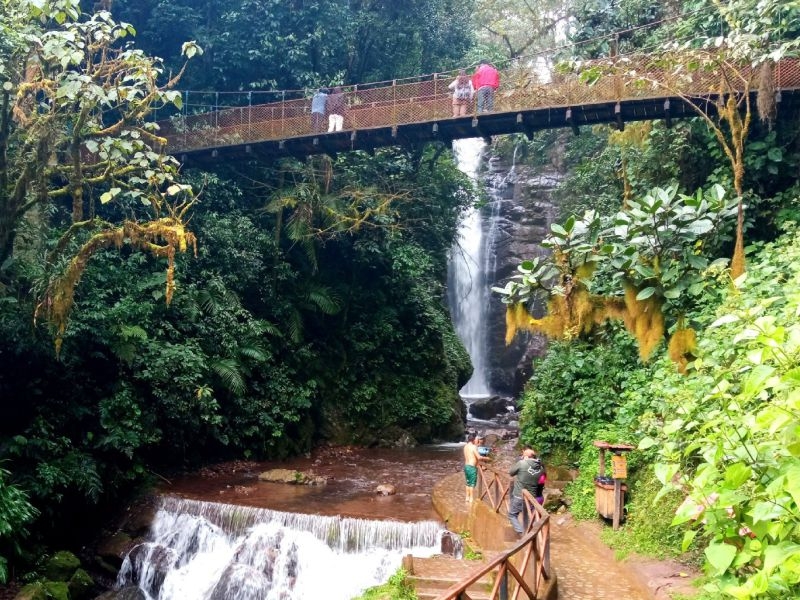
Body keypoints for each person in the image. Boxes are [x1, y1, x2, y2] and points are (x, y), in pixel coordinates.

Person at [507, 448, 546, 536]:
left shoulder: (522, 463)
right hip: (532, 497)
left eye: (523, 455)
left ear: (526, 457)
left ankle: (522, 533)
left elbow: (511, 472)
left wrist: (521, 463)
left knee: (512, 515)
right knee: (527, 517)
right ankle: (530, 533)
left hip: (519, 495)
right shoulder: (541, 468)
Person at [463, 432, 489, 503]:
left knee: (468, 482)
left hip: (466, 466)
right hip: (472, 467)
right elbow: (479, 457)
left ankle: (467, 497)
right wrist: (487, 458)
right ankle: (471, 498)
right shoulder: (474, 447)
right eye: (476, 439)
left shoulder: (466, 446)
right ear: (474, 439)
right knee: (472, 484)